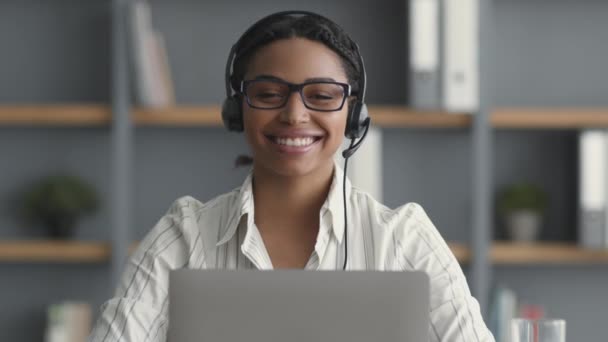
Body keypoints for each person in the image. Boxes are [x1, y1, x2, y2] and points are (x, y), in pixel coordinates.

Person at [88, 11, 495, 342]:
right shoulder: (182, 238)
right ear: (237, 110)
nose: (295, 115)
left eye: (321, 95)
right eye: (268, 94)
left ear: (352, 114)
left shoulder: (404, 240)